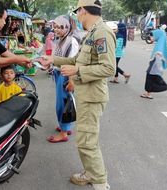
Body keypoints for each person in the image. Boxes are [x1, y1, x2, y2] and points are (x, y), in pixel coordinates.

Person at [37, 0, 115, 189]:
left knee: (87, 142)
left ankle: (100, 183)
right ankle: (91, 173)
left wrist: (77, 72)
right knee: (86, 140)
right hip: (86, 95)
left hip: (92, 96)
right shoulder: (92, 33)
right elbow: (75, 60)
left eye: (77, 12)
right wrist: (53, 59)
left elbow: (109, 67)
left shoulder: (102, 32)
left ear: (83, 11)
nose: (77, 17)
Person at [46, 15, 80, 143]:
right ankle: (65, 126)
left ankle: (64, 133)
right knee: (64, 102)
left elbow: (72, 63)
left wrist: (71, 81)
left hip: (65, 75)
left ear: (67, 27)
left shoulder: (71, 41)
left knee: (63, 103)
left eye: (60, 27)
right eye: (55, 27)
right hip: (59, 73)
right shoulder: (61, 39)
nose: (56, 30)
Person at [140, 29, 167, 100]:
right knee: (154, 78)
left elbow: (158, 55)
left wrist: (159, 69)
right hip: (155, 64)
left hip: (155, 65)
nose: (151, 38)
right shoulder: (160, 42)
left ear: (157, 36)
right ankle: (148, 93)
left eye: (152, 36)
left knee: (151, 78)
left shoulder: (160, 43)